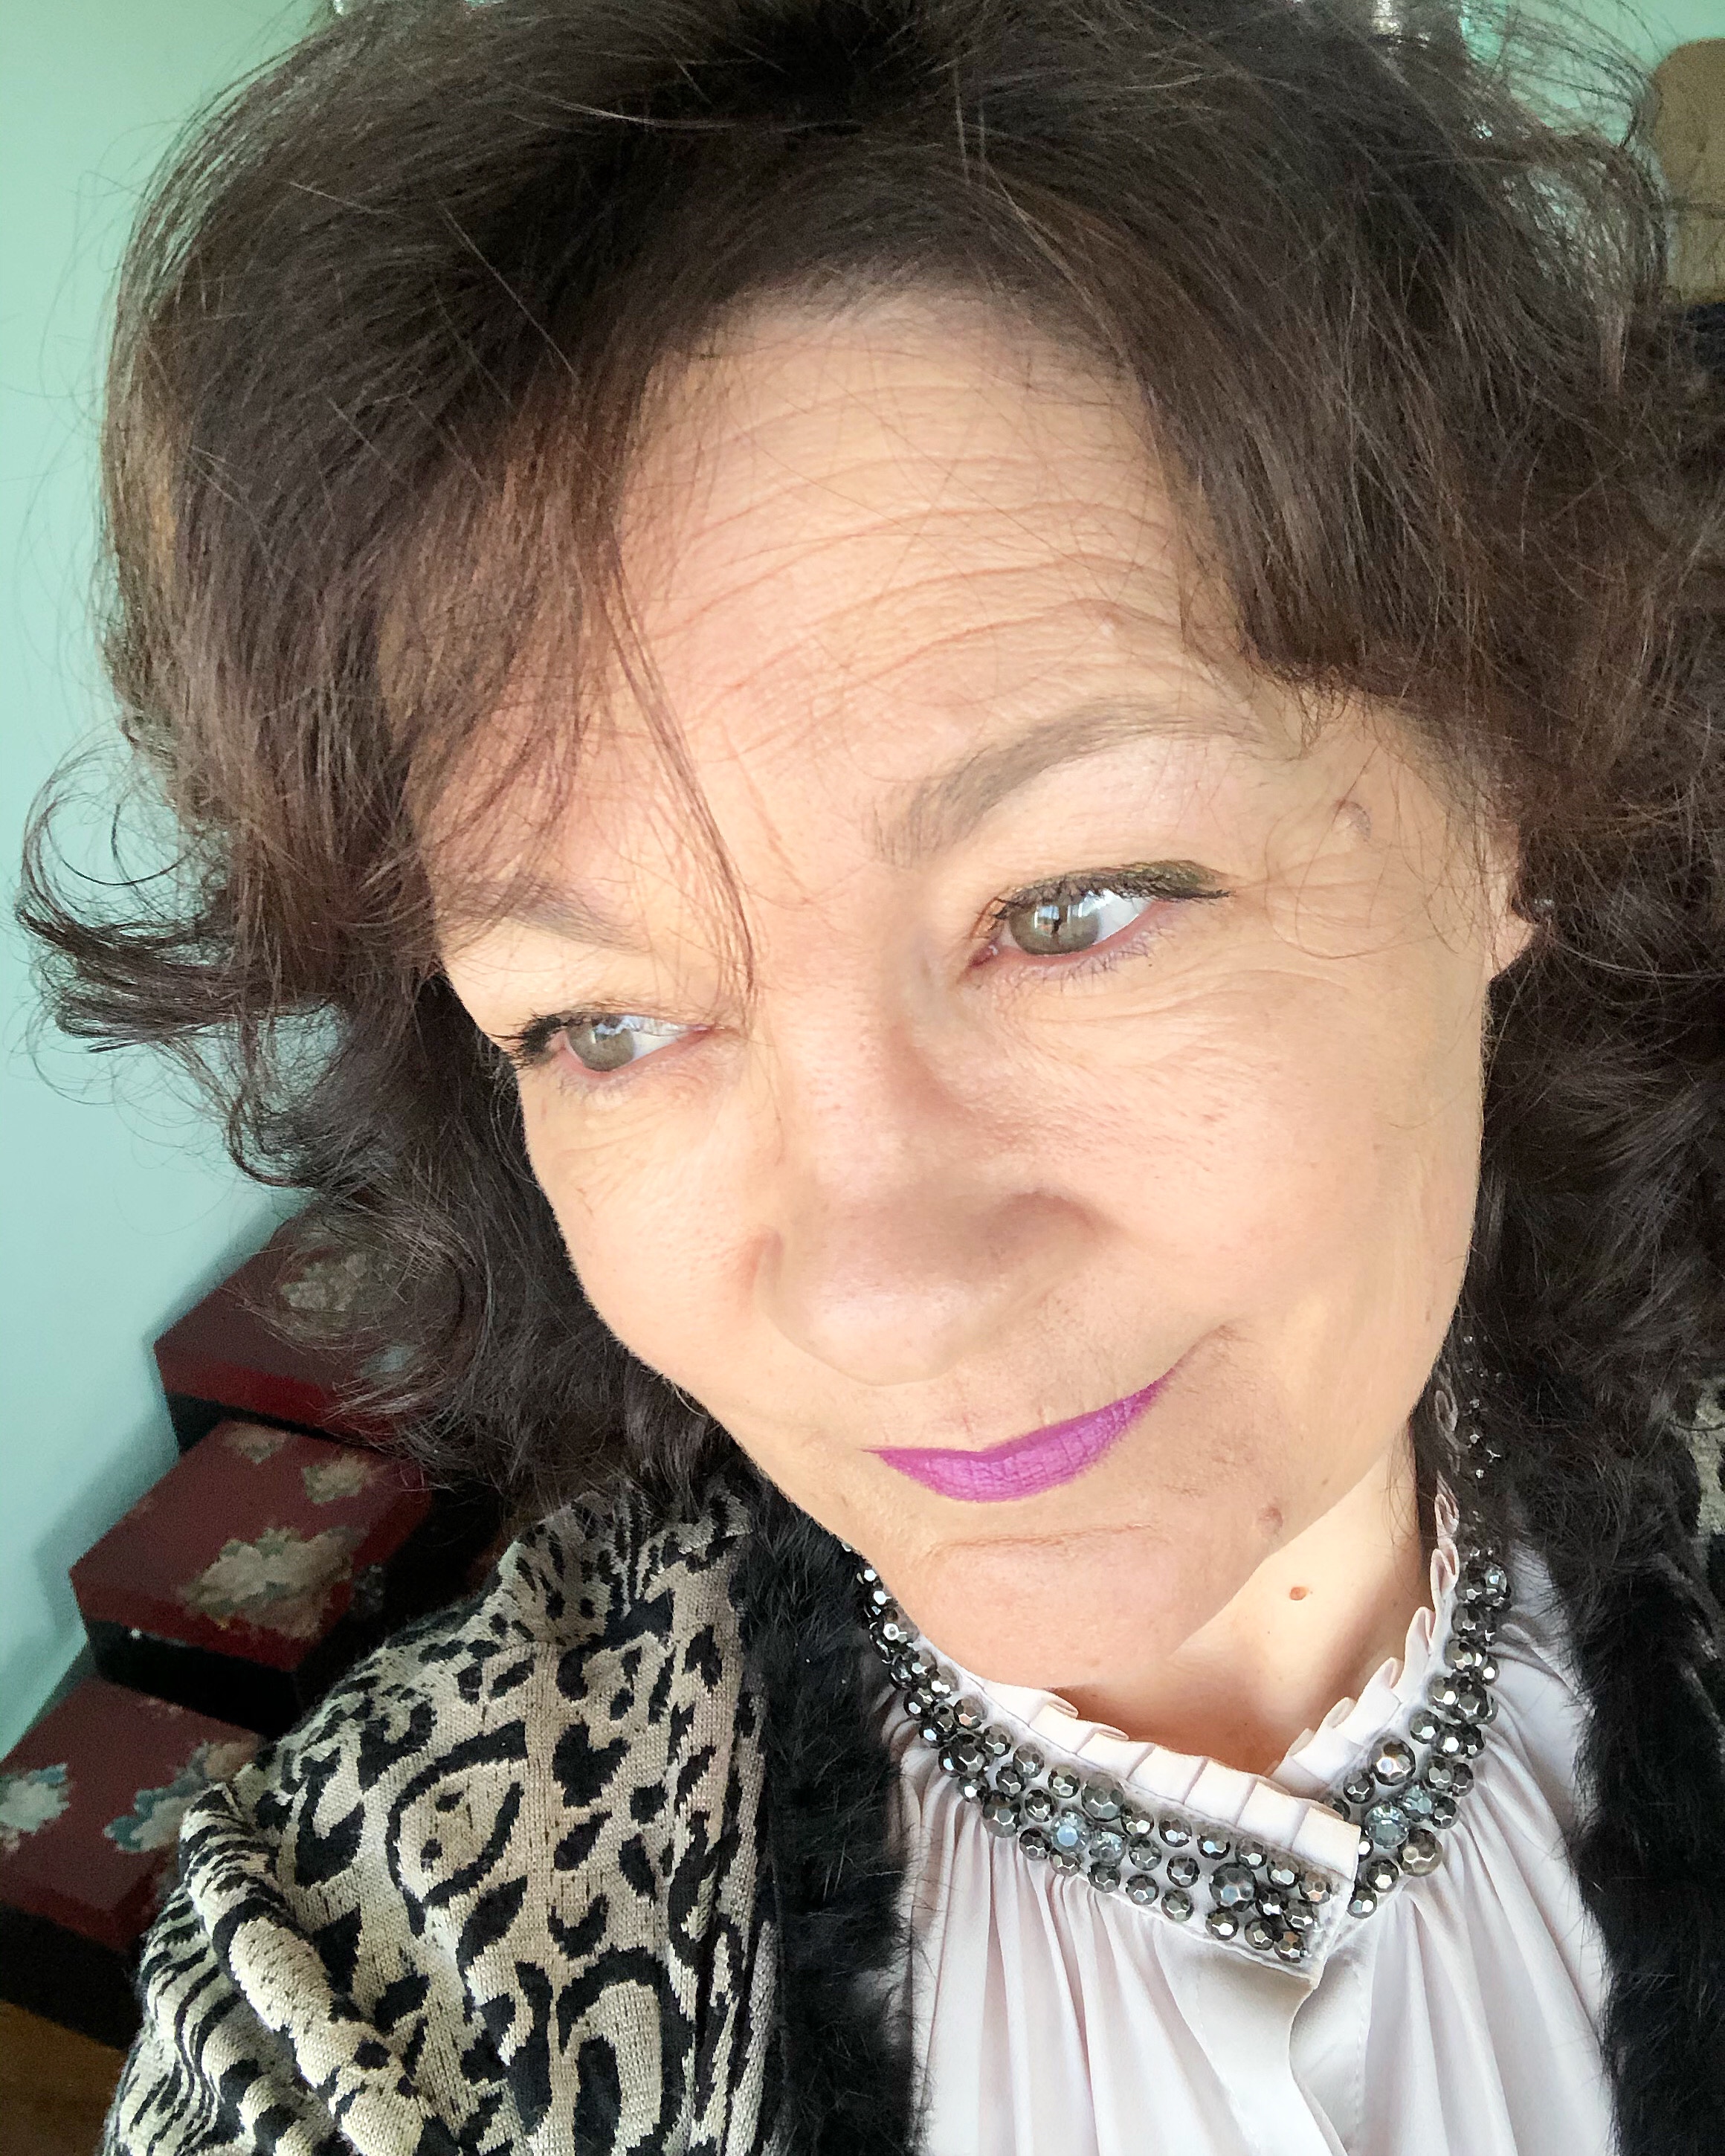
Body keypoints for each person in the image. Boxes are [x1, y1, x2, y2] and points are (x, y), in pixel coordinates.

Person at [19, 2, 1725, 2152]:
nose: (876, 1296)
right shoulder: (379, 1976)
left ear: (1511, 810)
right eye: (604, 1023)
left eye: (1076, 904)